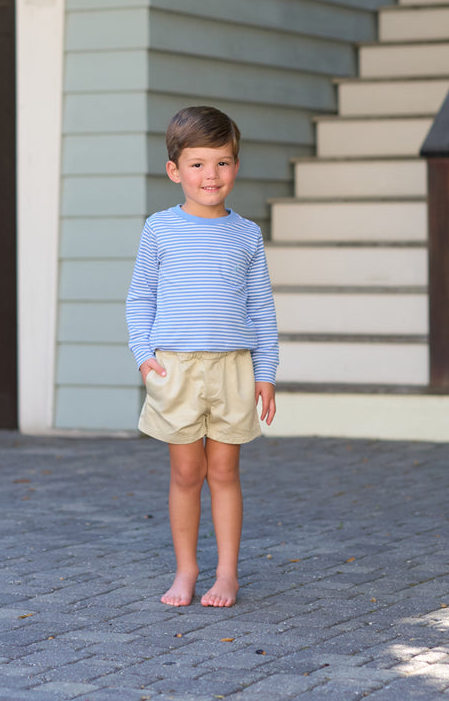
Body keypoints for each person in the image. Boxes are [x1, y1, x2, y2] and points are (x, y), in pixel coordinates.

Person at [126, 105, 279, 608]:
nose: (210, 175)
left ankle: (227, 574)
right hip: (176, 368)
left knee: (224, 473)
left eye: (223, 162)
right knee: (187, 474)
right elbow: (140, 297)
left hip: (233, 367)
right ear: (175, 170)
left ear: (236, 166)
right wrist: (144, 354)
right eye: (197, 164)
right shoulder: (159, 229)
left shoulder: (246, 234)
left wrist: (266, 373)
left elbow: (260, 306)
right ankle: (187, 570)